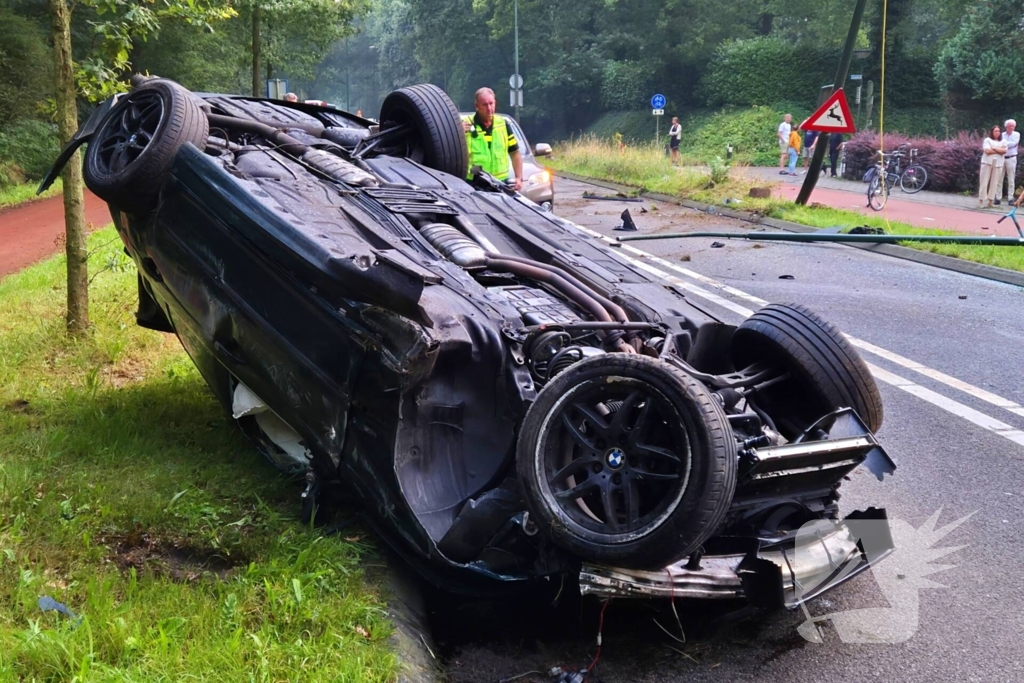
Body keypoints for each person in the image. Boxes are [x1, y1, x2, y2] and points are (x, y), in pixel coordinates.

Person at [462, 87, 523, 190]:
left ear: (495, 103)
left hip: (500, 183)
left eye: (491, 103)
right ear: (477, 106)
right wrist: (457, 131)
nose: (489, 108)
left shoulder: (503, 124)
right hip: (474, 184)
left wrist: (519, 178)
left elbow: (515, 153)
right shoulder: (464, 124)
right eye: (485, 105)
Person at [979, 124, 1008, 208]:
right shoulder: (987, 140)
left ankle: (991, 201)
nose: (997, 133)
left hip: (998, 163)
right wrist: (999, 150)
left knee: (994, 183)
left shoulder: (1003, 141)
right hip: (987, 162)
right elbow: (987, 151)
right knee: (984, 182)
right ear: (992, 132)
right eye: (996, 131)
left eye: (999, 131)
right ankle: (981, 200)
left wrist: (994, 148)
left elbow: (1004, 151)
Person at [998, 119, 1019, 205]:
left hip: (1011, 158)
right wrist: (1004, 144)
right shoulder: (1002, 135)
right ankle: (997, 197)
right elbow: (999, 144)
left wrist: (1004, 144)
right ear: (1006, 127)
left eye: (1013, 126)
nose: (1011, 127)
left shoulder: (1016, 134)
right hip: (1002, 157)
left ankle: (1010, 198)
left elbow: (1013, 143)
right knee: (999, 178)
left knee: (1011, 178)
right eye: (1010, 126)